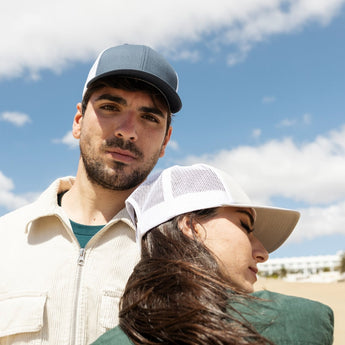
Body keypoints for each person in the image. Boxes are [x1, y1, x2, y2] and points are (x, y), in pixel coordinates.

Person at [0, 44, 182, 344]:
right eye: (111, 107)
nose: (127, 131)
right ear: (78, 120)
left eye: (150, 118)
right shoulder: (5, 240)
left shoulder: (179, 257)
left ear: (165, 141)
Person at [91, 164, 334, 345]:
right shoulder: (299, 320)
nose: (262, 253)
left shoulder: (110, 341)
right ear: (192, 227)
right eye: (245, 226)